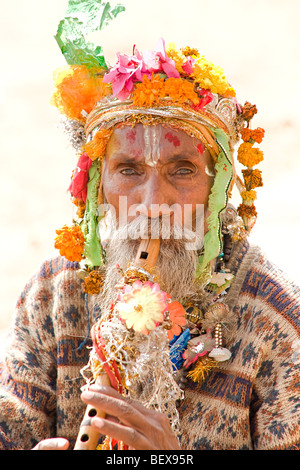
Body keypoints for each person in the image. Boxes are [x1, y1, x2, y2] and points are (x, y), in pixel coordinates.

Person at [0, 1, 299, 451]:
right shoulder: (54, 292)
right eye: (129, 170)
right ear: (96, 185)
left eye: (182, 171)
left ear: (218, 189)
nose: (153, 204)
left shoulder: (274, 316)